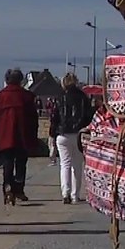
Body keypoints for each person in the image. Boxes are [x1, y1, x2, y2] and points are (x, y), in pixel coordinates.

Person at [0, 68, 39, 204]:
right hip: (23, 136)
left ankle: (8, 187)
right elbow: (33, 119)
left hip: (4, 136)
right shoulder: (27, 96)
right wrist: (33, 137)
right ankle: (19, 189)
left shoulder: (1, 96)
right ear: (21, 80)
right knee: (21, 164)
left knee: (7, 163)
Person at [52, 73, 94, 204]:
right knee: (77, 165)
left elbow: (54, 118)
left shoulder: (60, 98)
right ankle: (75, 195)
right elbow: (89, 116)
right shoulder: (83, 97)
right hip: (79, 134)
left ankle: (66, 193)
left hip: (62, 134)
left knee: (65, 164)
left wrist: (52, 135)